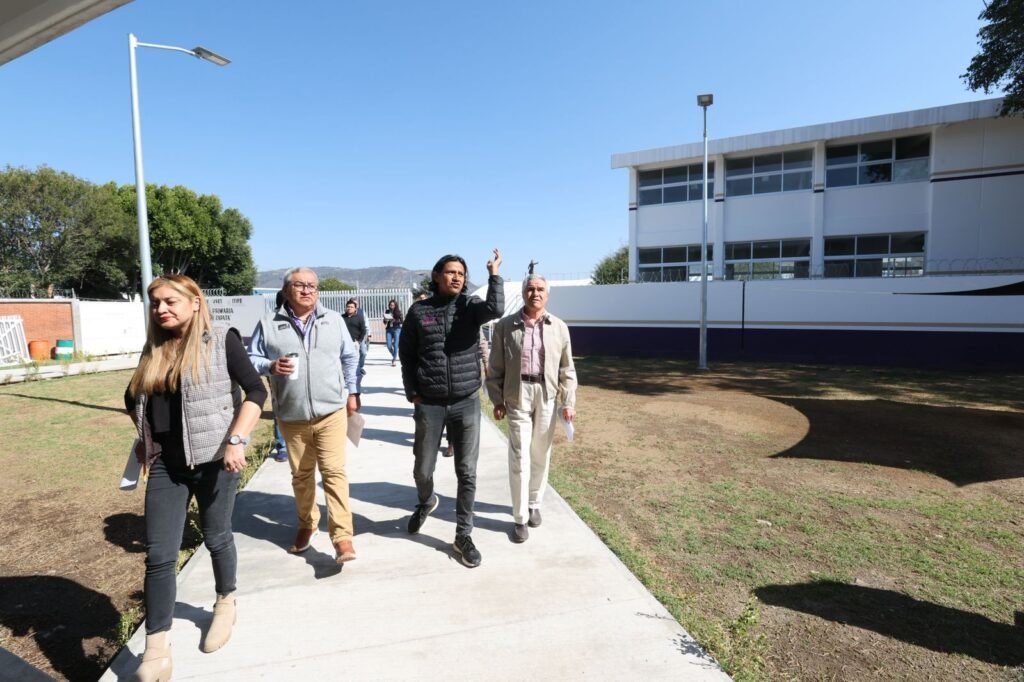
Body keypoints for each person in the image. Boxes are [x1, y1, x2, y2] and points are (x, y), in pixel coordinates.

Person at [125, 274, 266, 681]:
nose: (161, 309)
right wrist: (144, 437)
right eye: (155, 303)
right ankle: (156, 649)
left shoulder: (222, 339)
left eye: (169, 301)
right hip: (168, 465)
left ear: (195, 302)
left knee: (216, 535)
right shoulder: (154, 348)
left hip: (216, 460)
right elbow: (135, 399)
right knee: (159, 556)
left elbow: (256, 392)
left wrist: (237, 440)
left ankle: (225, 602)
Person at [249, 267, 360, 565]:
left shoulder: (334, 320)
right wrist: (270, 366)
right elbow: (252, 357)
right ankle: (307, 524)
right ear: (287, 291)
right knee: (301, 475)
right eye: (300, 285)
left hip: (331, 411)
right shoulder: (269, 323)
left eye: (312, 285)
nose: (307, 290)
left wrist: (352, 392)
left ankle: (342, 536)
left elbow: (350, 356)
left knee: (334, 472)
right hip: (292, 415)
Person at [400, 249, 504, 567]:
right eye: (450, 271)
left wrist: (494, 274)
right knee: (422, 469)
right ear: (436, 276)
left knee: (467, 471)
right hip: (429, 403)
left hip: (466, 401)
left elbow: (496, 308)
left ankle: (463, 534)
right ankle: (427, 500)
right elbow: (407, 354)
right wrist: (412, 391)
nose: (456, 276)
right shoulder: (419, 312)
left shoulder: (471, 306)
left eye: (461, 272)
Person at [485, 272, 577, 544]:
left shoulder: (559, 327)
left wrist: (568, 401)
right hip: (517, 395)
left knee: (540, 454)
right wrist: (497, 399)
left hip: (547, 395)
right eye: (530, 289)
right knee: (519, 458)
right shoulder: (505, 326)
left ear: (547, 295)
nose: (535, 293)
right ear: (524, 292)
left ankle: (534, 503)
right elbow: (495, 368)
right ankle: (519, 518)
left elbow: (567, 369)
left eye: (540, 290)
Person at [343, 298, 368, 402]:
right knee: (344, 361)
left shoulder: (359, 317)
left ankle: (358, 371)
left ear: (355, 308)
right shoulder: (341, 318)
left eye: (351, 307)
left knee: (361, 355)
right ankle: (346, 375)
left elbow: (363, 329)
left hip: (355, 342)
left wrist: (359, 340)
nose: (349, 308)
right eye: (348, 307)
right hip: (344, 343)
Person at [383, 298, 403, 366]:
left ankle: (394, 359)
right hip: (389, 329)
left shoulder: (398, 312)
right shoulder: (387, 311)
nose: (392, 306)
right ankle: (394, 355)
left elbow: (402, 321)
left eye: (393, 305)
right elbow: (384, 322)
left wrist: (395, 320)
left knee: (395, 345)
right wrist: (385, 320)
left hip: (397, 329)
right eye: (390, 305)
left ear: (395, 305)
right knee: (389, 345)